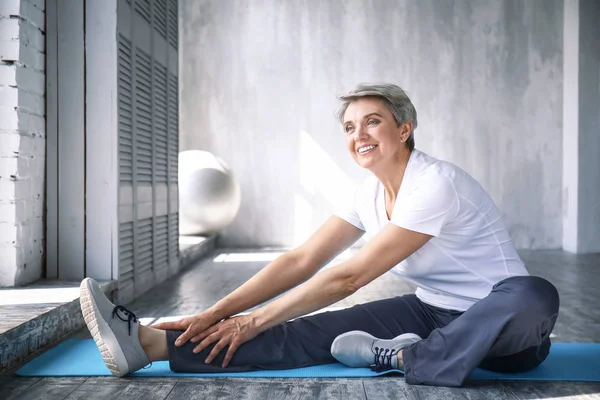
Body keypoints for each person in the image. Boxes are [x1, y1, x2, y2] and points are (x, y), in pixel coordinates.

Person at [79, 83, 560, 387]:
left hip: (505, 333)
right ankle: (148, 345)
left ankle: (409, 356)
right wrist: (221, 312)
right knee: (308, 331)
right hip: (431, 311)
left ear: (405, 128)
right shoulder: (367, 193)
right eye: (350, 126)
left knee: (535, 293)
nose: (358, 134)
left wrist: (255, 318)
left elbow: (349, 276)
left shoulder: (436, 184)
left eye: (372, 120)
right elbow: (302, 261)